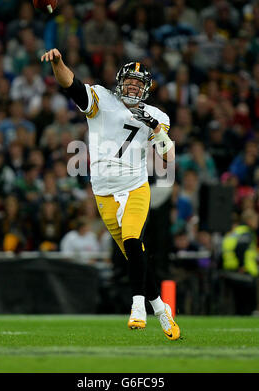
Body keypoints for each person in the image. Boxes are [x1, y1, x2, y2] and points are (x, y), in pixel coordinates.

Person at [41, 48, 180, 340]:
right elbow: (72, 85)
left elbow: (168, 160)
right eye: (128, 81)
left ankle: (138, 306)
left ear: (146, 89)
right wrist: (59, 63)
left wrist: (157, 130)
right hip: (103, 191)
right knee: (134, 255)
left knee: (132, 239)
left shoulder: (157, 115)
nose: (132, 87)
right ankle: (161, 308)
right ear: (119, 82)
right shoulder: (102, 99)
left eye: (137, 84)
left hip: (135, 187)